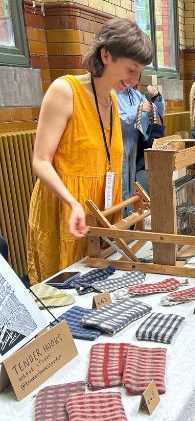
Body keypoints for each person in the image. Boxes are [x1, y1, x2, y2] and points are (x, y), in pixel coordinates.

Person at [27, 18, 153, 284]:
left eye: (139, 72)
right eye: (130, 70)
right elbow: (40, 161)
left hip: (101, 213)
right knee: (64, 296)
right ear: (105, 55)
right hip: (67, 212)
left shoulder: (114, 99)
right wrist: (72, 202)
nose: (134, 80)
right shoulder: (65, 91)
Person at [118, 80, 164, 202]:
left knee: (131, 180)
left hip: (134, 144)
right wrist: (137, 109)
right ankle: (122, 216)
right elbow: (116, 118)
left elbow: (159, 112)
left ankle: (130, 214)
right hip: (119, 144)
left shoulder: (135, 94)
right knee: (121, 181)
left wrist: (156, 97)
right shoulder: (112, 94)